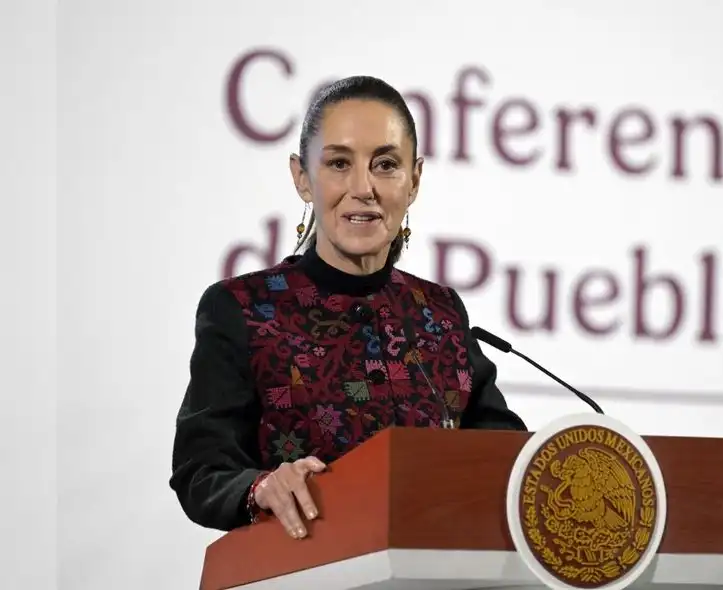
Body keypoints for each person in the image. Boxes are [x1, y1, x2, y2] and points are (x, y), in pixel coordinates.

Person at [169, 75, 527, 540]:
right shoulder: (242, 309)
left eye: (385, 165)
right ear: (302, 178)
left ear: (414, 179)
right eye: (339, 163)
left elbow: (509, 459)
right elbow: (201, 471)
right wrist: (260, 488)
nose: (364, 188)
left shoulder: (439, 313)